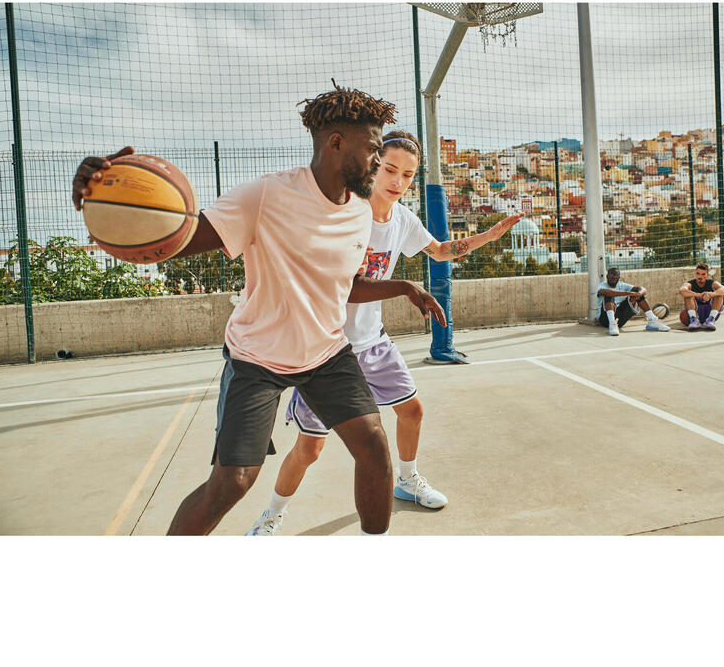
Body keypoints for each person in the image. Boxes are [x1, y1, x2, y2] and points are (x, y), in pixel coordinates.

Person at [70, 82, 445, 536]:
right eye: (371, 149)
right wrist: (106, 201)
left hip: (326, 353)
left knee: (374, 448)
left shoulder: (359, 211)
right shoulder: (267, 195)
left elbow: (343, 286)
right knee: (233, 483)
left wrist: (402, 286)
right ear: (336, 143)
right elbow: (178, 237)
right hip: (257, 360)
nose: (376, 161)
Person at [248, 130, 523, 535]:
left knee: (411, 409)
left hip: (372, 342)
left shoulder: (403, 220)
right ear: (374, 167)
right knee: (310, 448)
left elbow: (441, 250)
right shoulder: (346, 214)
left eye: (408, 176)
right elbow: (348, 284)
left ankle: (407, 480)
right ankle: (272, 514)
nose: (398, 181)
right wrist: (406, 288)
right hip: (325, 349)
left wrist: (488, 236)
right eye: (391, 170)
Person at [596, 266, 670, 336]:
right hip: (605, 319)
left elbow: (642, 289)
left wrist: (638, 294)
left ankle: (652, 321)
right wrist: (628, 293)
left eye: (616, 276)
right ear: (607, 276)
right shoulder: (601, 286)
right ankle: (612, 324)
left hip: (620, 320)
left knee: (637, 294)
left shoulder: (621, 285)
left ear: (619, 277)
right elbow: (607, 293)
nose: (613, 277)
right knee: (609, 295)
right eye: (611, 275)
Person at [678, 262, 724, 331]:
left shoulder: (711, 283)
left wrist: (710, 294)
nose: (700, 276)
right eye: (698, 273)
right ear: (695, 274)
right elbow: (682, 290)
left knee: (719, 295)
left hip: (710, 312)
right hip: (696, 312)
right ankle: (693, 320)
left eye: (703, 274)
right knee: (688, 295)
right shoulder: (691, 283)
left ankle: (710, 320)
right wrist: (697, 295)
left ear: (707, 275)